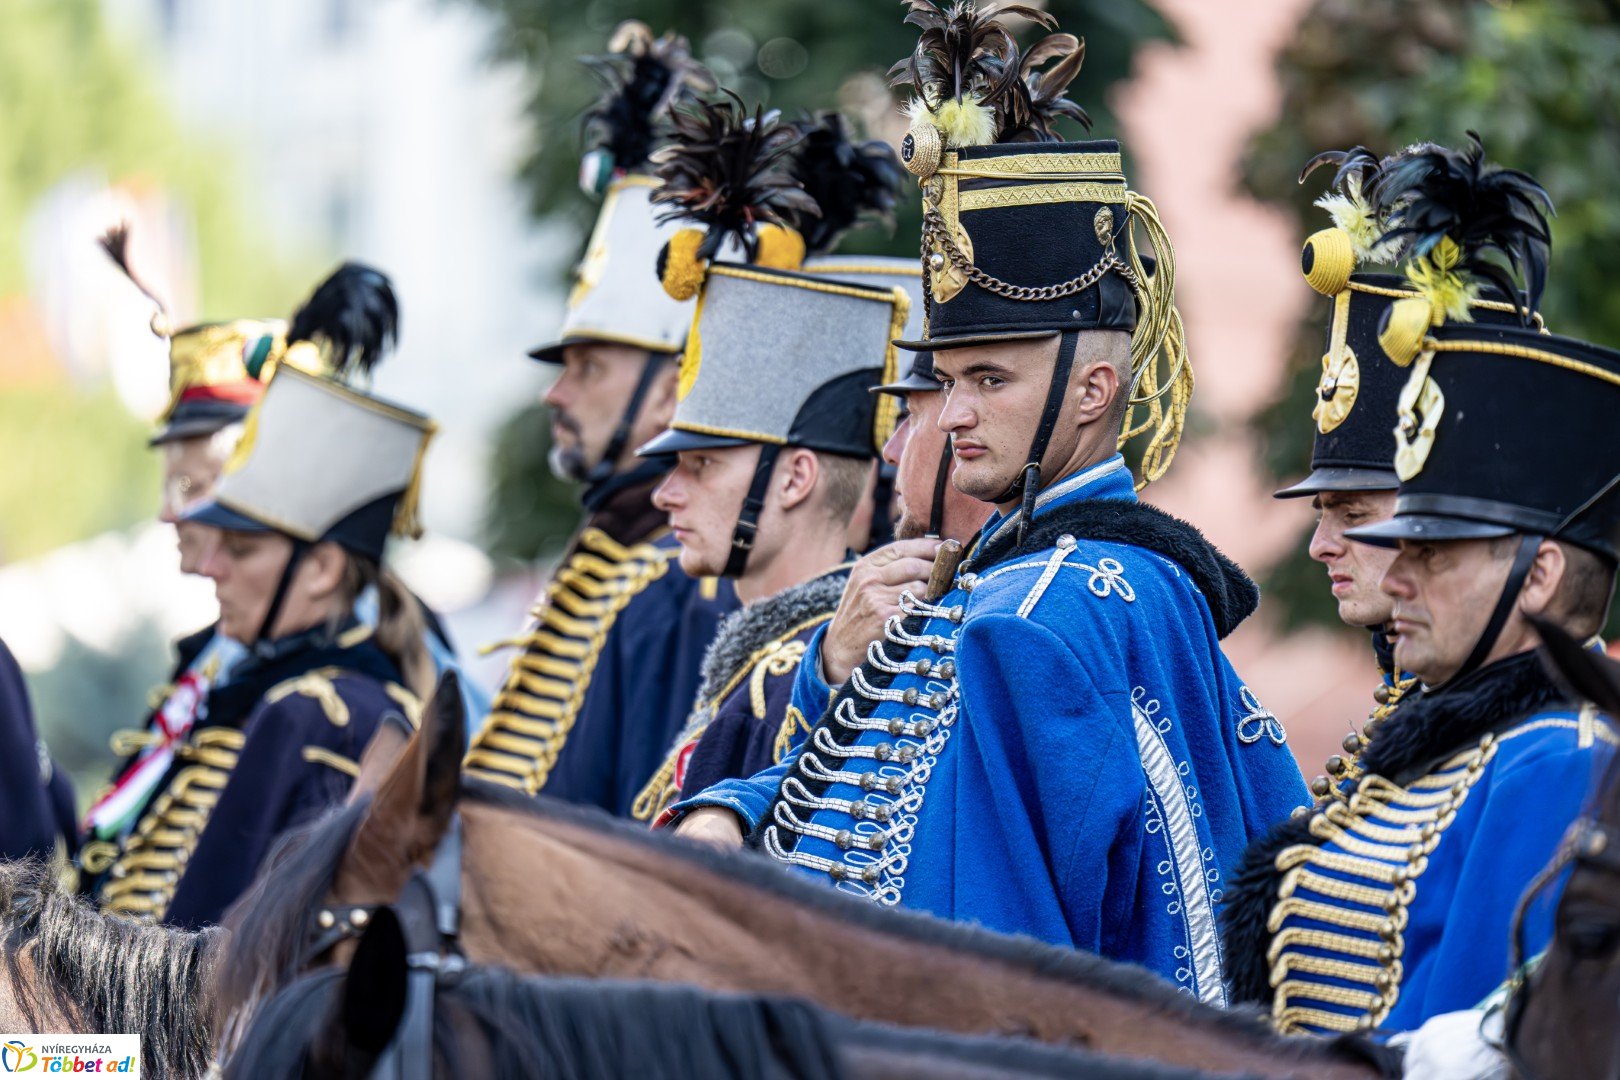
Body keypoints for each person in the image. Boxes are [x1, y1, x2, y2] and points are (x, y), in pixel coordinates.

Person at [665, 3, 1307, 1005]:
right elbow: (875, 796)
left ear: (1093, 393)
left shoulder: (1060, 605)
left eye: (990, 380)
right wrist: (736, 808)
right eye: (949, 380)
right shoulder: (1014, 584)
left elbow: (1156, 933)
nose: (953, 413)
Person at [1224, 136, 1619, 1034]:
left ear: (1539, 575)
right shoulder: (1446, 740)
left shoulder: (1559, 759)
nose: (1395, 571)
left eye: (1432, 551)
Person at [83, 264, 434, 928]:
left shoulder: (333, 709)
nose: (177, 518)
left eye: (241, 547)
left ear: (322, 569)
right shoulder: (228, 668)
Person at [463, 25, 743, 813]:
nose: (556, 394)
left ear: (669, 392)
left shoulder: (685, 587)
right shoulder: (613, 554)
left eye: (588, 367)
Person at [626, 99, 911, 825]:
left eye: (701, 465)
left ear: (795, 477)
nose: (664, 494)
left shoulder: (813, 666)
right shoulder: (758, 663)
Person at [1273, 147, 1547, 793]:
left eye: (1355, 513)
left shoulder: (1536, 747)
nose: (1320, 546)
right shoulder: (1422, 707)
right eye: (1324, 513)